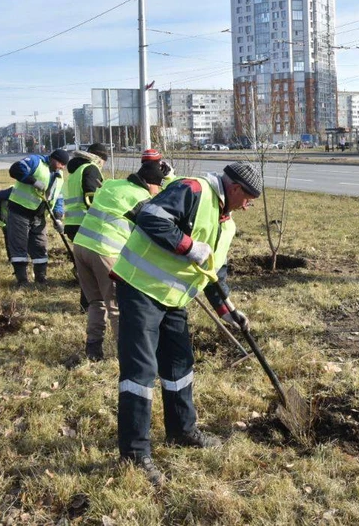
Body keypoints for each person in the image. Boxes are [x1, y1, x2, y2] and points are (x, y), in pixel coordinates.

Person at [111, 161, 263, 486]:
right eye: (248, 198)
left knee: (180, 364)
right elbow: (151, 217)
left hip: (174, 299)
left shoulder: (228, 224)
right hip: (140, 288)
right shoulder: (193, 190)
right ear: (235, 189)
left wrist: (228, 311)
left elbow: (213, 272)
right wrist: (189, 246)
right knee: (141, 371)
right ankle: (135, 454)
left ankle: (182, 431)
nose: (248, 206)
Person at [73, 150, 171, 361]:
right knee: (117, 307)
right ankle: (127, 356)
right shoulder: (141, 199)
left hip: (81, 246)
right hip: (105, 252)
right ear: (151, 183)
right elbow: (154, 227)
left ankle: (93, 351)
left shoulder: (113, 185)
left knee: (96, 302)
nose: (157, 191)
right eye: (158, 186)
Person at [5, 148, 69, 287]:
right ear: (54, 159)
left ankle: (41, 278)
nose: (62, 167)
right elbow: (15, 169)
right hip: (20, 211)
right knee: (19, 246)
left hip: (39, 216)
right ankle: (22, 280)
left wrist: (58, 217)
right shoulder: (36, 161)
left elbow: (58, 197)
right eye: (61, 163)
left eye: (64, 165)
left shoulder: (59, 175)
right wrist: (33, 181)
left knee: (40, 246)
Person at [62, 143, 110, 242]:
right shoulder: (91, 168)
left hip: (72, 223)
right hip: (85, 223)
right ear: (101, 159)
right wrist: (99, 219)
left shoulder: (76, 170)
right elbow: (91, 194)